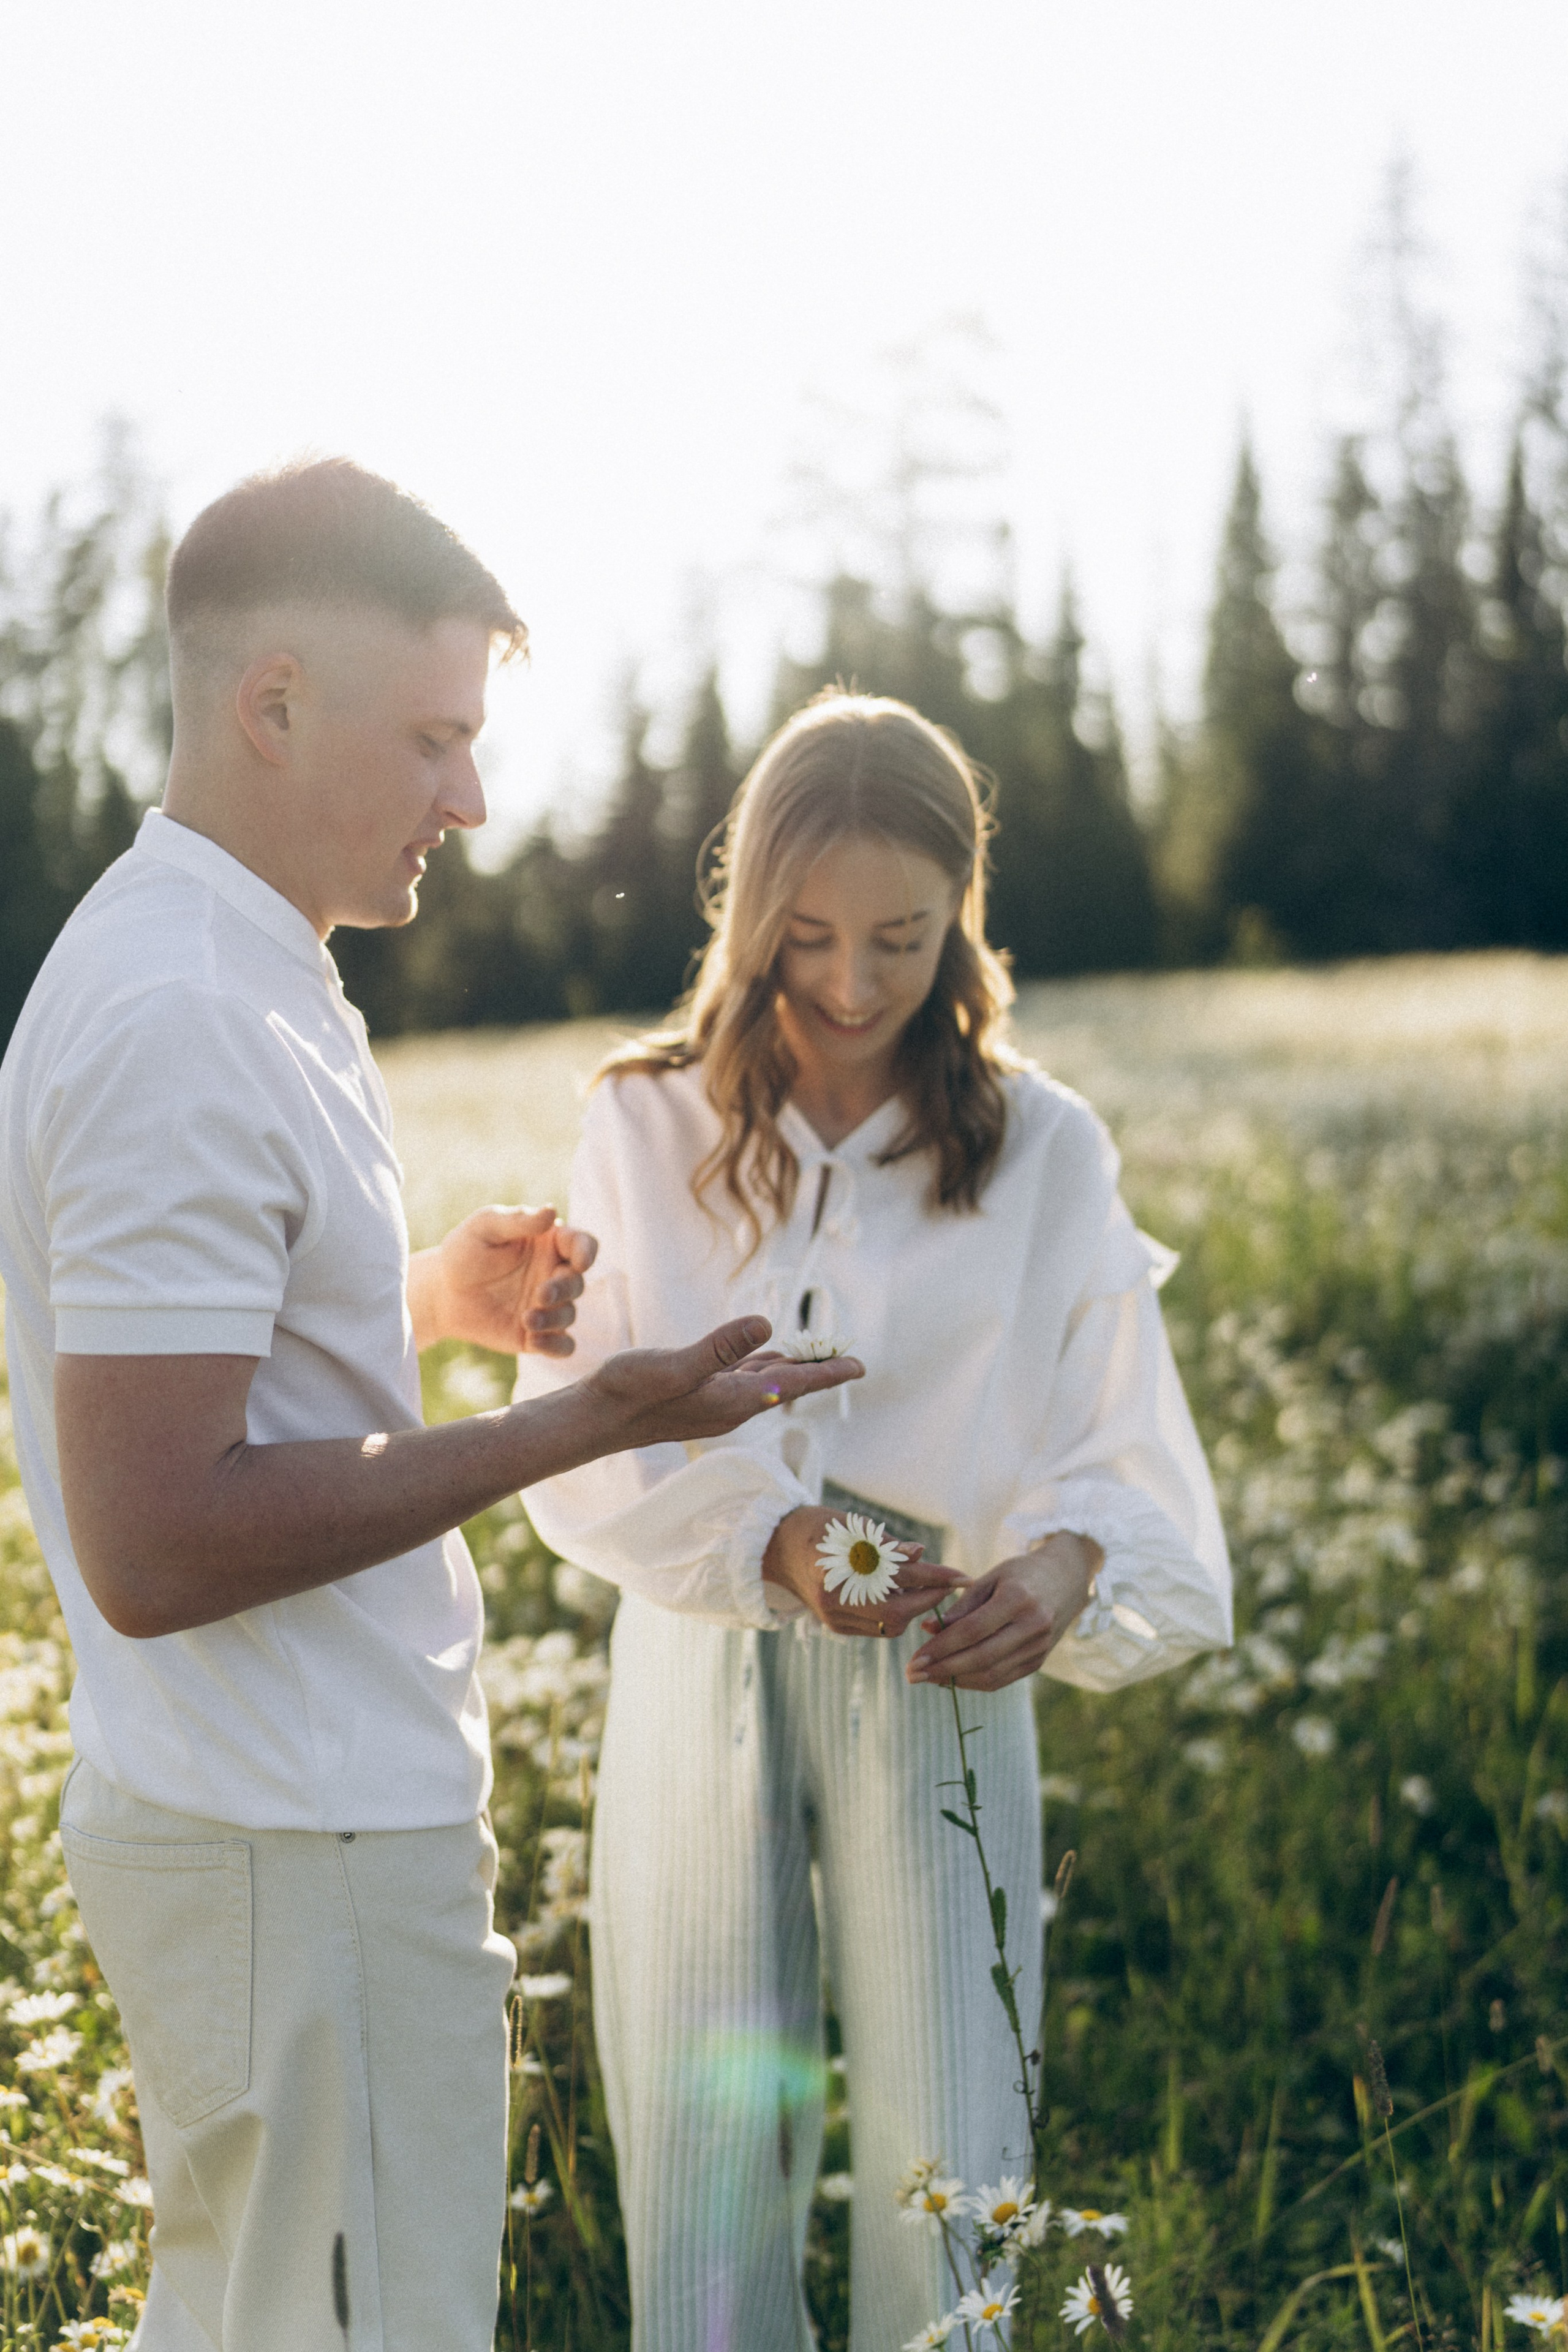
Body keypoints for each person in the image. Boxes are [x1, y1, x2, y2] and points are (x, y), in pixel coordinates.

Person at [0, 460, 858, 2352]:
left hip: (281, 1816)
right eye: (434, 740)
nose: (471, 798)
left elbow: (201, 1379)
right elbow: (153, 1540)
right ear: (272, 704)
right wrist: (590, 1419)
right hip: (288, 1839)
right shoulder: (182, 1016)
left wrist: (424, 1312)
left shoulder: (251, 969)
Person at [512, 690, 1234, 2351]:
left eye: (901, 941)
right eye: (810, 938)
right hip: (703, 1651)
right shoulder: (646, 1117)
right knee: (706, 2136)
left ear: (962, 919)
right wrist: (770, 1542)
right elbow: (583, 1437)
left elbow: (1130, 1457)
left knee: (956, 2133)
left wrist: (1059, 1572)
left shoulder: (1043, 1146)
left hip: (950, 1655)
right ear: (749, 920)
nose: (849, 988)